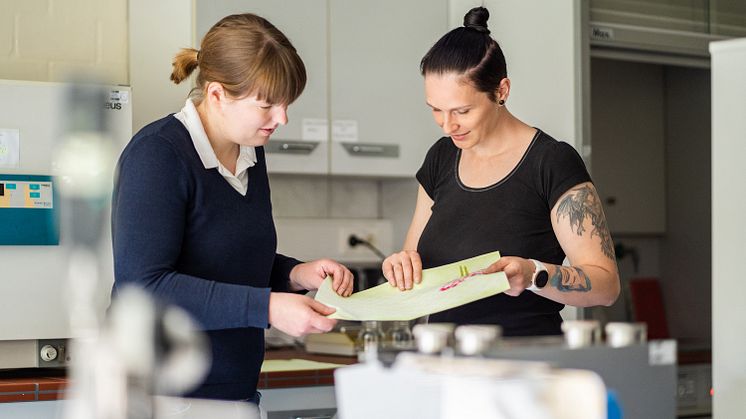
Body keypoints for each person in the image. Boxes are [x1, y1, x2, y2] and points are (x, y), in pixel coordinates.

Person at [111, 13, 352, 403]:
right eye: (267, 105)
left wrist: (293, 274)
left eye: (286, 103)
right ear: (218, 94)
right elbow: (143, 288)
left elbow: (226, 260)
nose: (282, 118)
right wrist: (268, 308)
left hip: (233, 392)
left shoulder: (251, 154)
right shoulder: (158, 154)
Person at [382, 7, 620, 337]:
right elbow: (414, 262)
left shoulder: (551, 162)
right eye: (436, 110)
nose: (447, 125)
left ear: (501, 91)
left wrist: (535, 273)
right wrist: (401, 266)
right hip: (447, 365)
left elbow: (606, 285)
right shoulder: (440, 158)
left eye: (462, 111)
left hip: (527, 366)